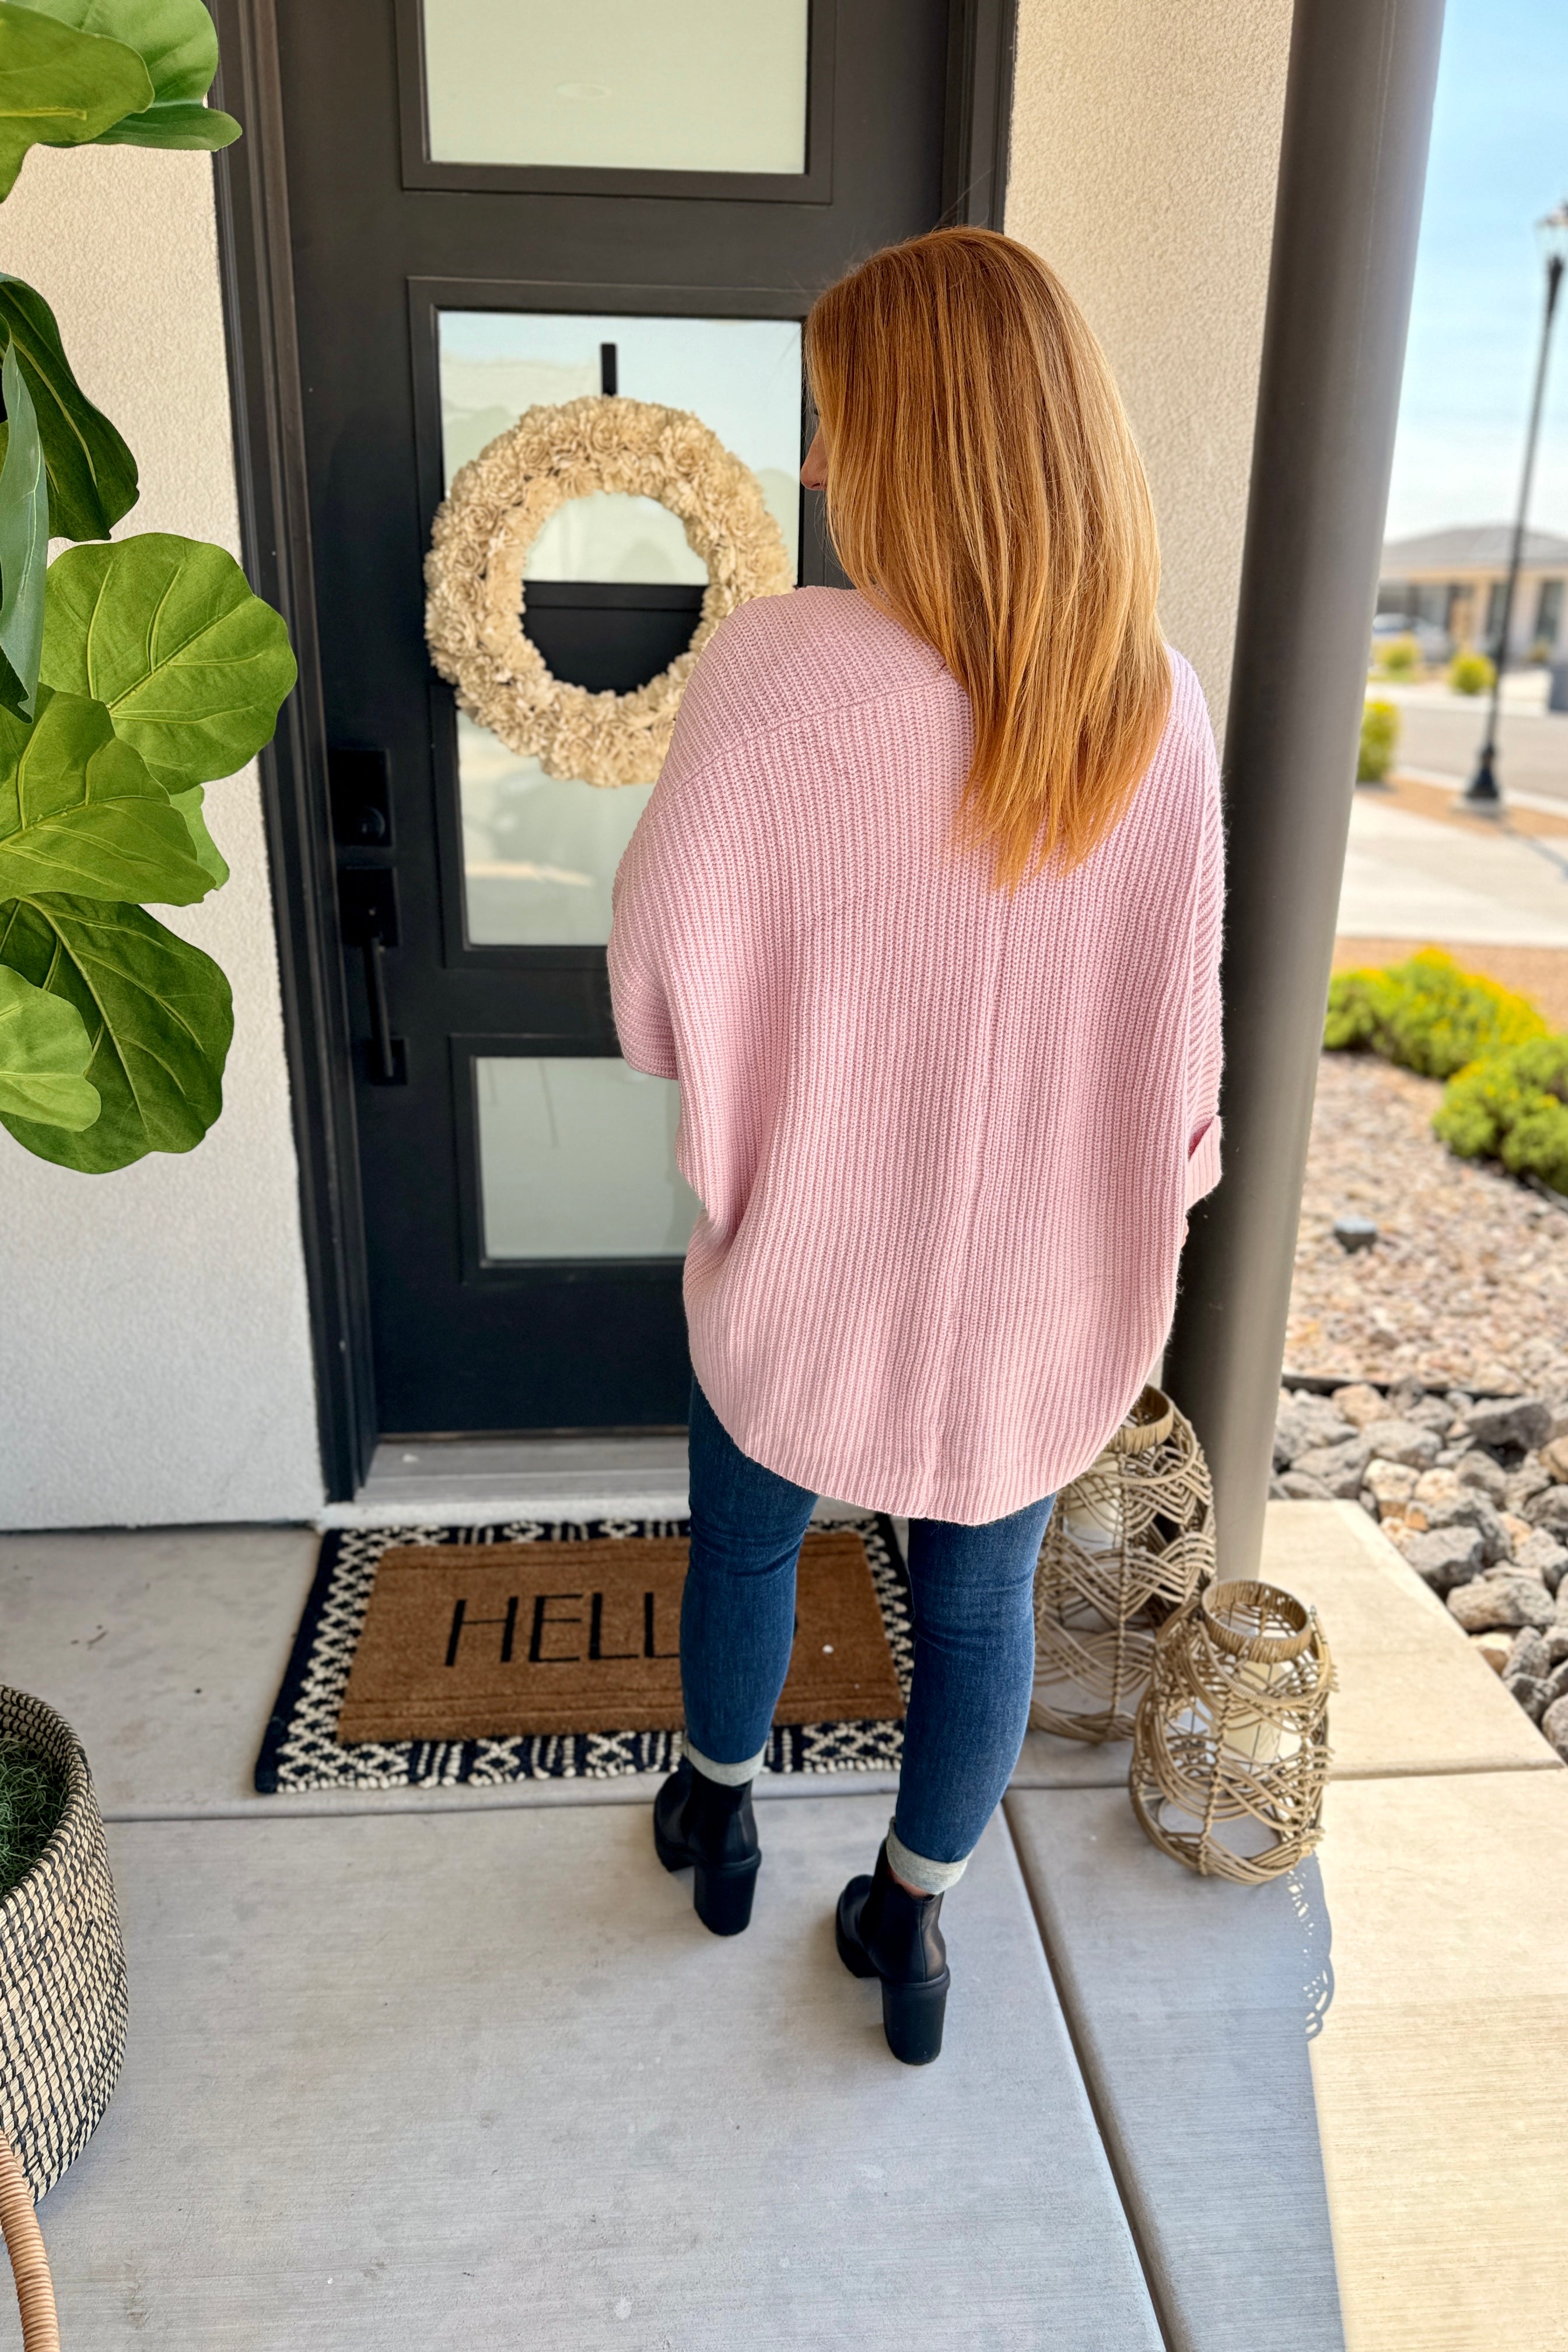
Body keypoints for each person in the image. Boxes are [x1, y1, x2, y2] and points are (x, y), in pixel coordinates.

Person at [607, 227, 1223, 2066]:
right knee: (976, 1611)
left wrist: (755, 1079)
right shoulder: (1155, 704)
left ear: (921, 439)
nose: (813, 464)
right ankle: (916, 1923)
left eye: (838, 420)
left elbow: (654, 974)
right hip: (1040, 1283)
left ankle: (718, 1822)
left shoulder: (780, 667)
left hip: (812, 1253)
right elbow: (1180, 1027)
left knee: (745, 1555)